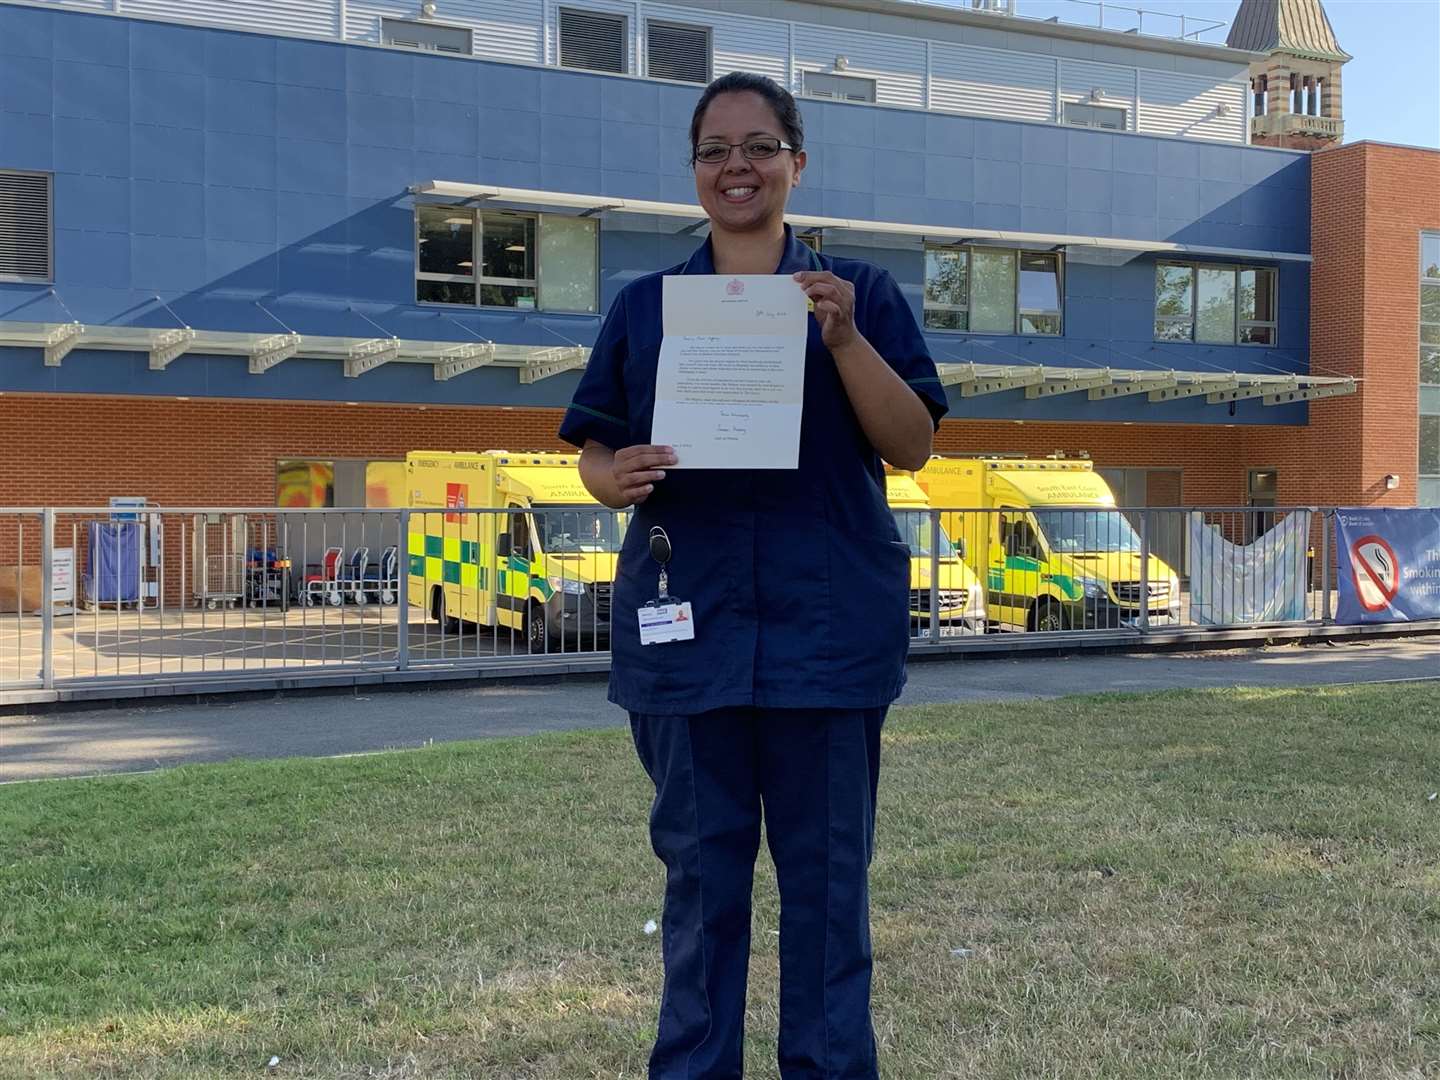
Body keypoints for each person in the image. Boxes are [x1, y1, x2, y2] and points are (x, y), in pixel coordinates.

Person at [558, 71, 948, 1079]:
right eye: (716, 150)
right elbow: (594, 455)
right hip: (691, 639)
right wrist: (618, 476)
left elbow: (912, 446)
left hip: (828, 640)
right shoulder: (646, 308)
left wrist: (847, 339)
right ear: (693, 172)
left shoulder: (860, 296)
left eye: (760, 146)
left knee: (827, 890)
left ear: (796, 163)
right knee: (702, 883)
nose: (738, 166)